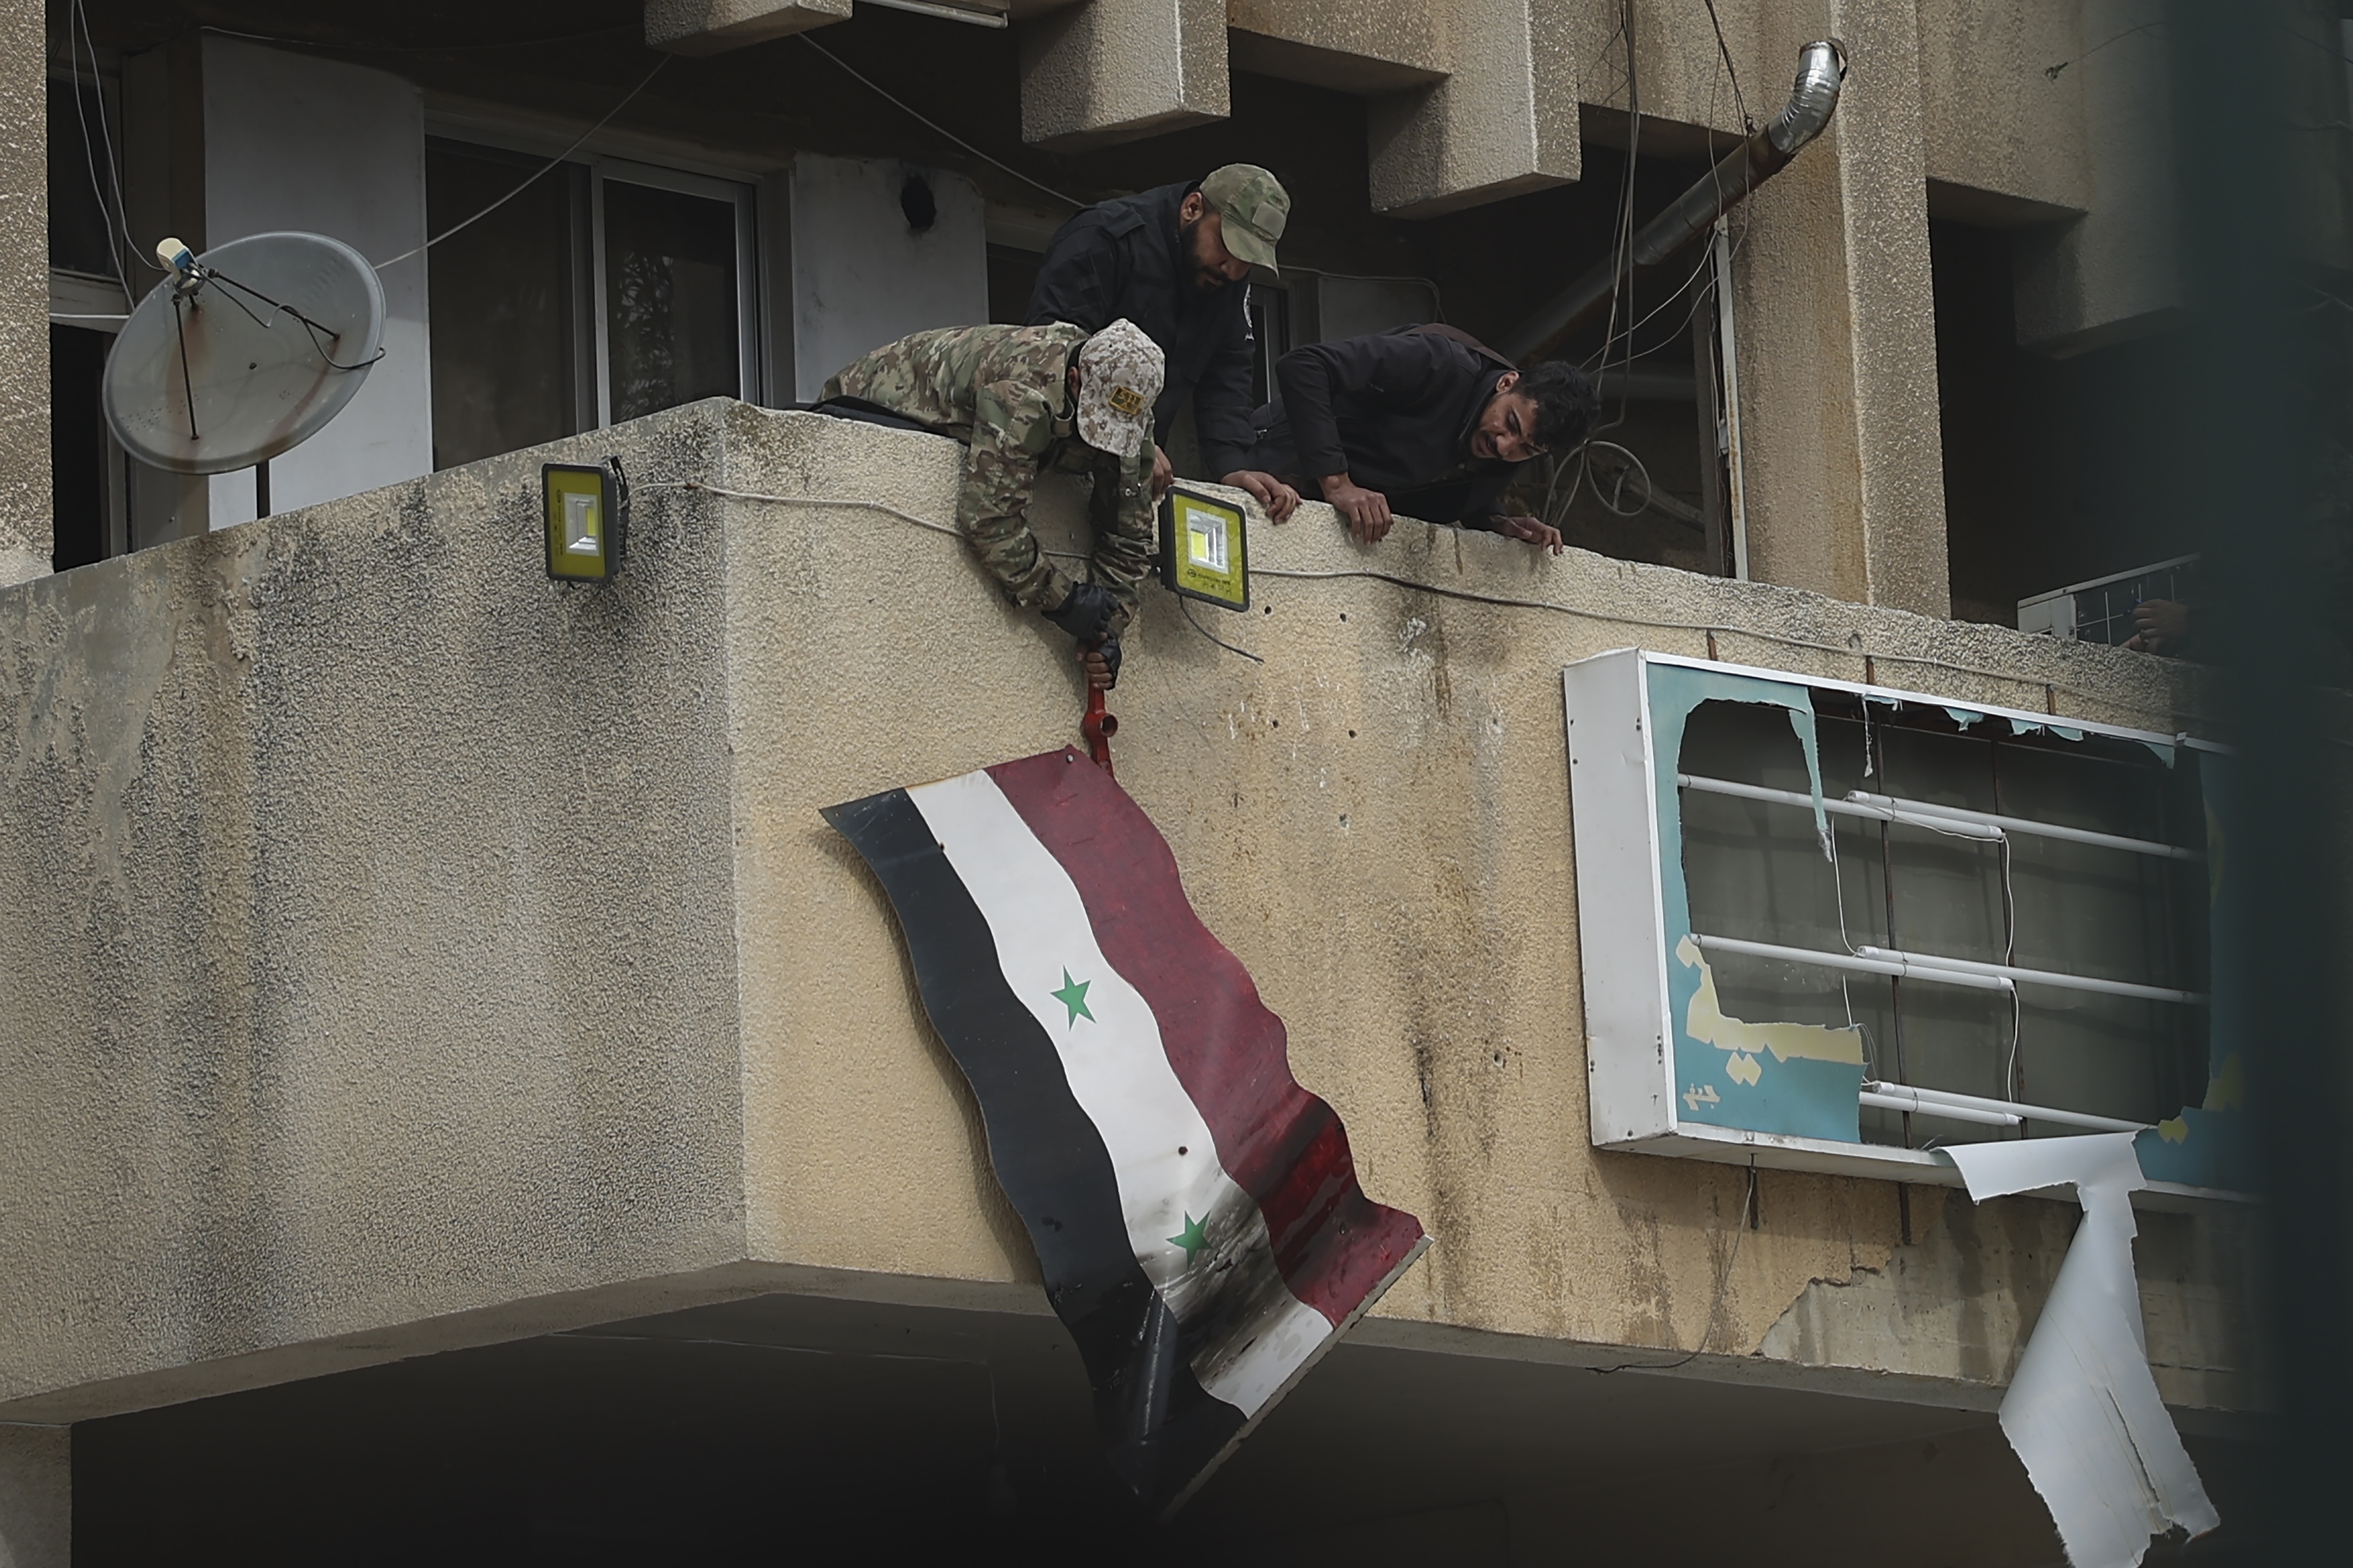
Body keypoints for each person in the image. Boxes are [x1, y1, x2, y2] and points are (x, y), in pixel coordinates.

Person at [822, 319, 1164, 690]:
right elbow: (988, 519)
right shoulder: (1023, 393)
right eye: (1099, 424)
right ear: (1075, 380)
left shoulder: (1129, 406)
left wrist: (1108, 627)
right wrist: (1064, 600)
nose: (1104, 444)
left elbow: (1128, 538)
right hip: (871, 402)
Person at [1026, 164, 1303, 520]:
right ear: (1193, 209)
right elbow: (1054, 351)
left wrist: (1234, 466)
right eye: (1228, 246)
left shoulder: (1226, 281)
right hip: (1050, 459)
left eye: (1247, 260)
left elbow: (1228, 373)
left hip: (1131, 478)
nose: (1232, 269)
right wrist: (1134, 435)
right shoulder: (1105, 235)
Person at [1238, 325, 1600, 552]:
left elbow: (1447, 475)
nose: (1505, 446)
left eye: (1527, 448)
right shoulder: (1440, 362)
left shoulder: (1502, 448)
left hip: (1320, 533)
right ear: (1507, 382)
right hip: (1263, 472)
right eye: (1511, 424)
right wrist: (1338, 482)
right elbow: (1304, 366)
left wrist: (1498, 522)